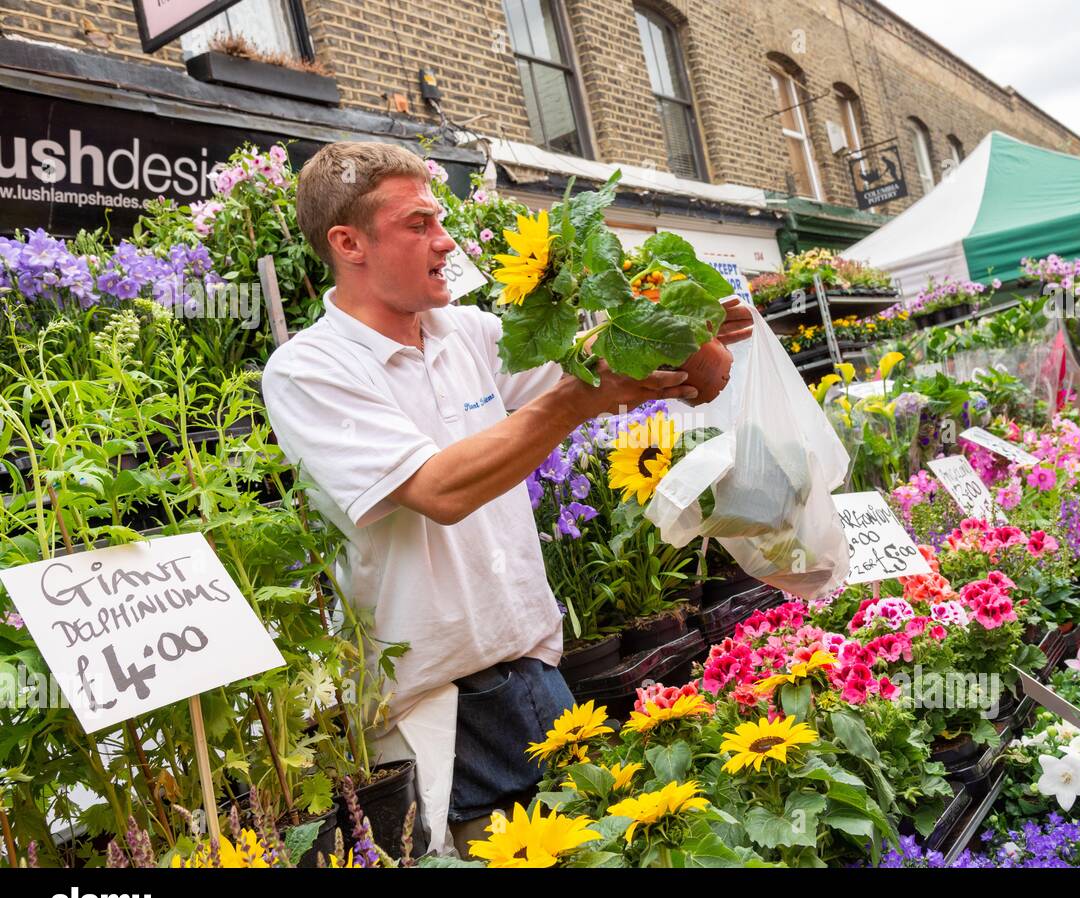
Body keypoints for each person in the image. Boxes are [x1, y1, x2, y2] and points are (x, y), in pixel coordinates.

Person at [261, 142, 751, 857]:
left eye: (440, 219)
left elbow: (600, 366)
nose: (446, 239)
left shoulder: (470, 332)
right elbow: (439, 488)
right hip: (442, 713)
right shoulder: (309, 369)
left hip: (537, 678)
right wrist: (579, 399)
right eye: (419, 223)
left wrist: (680, 336)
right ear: (348, 243)